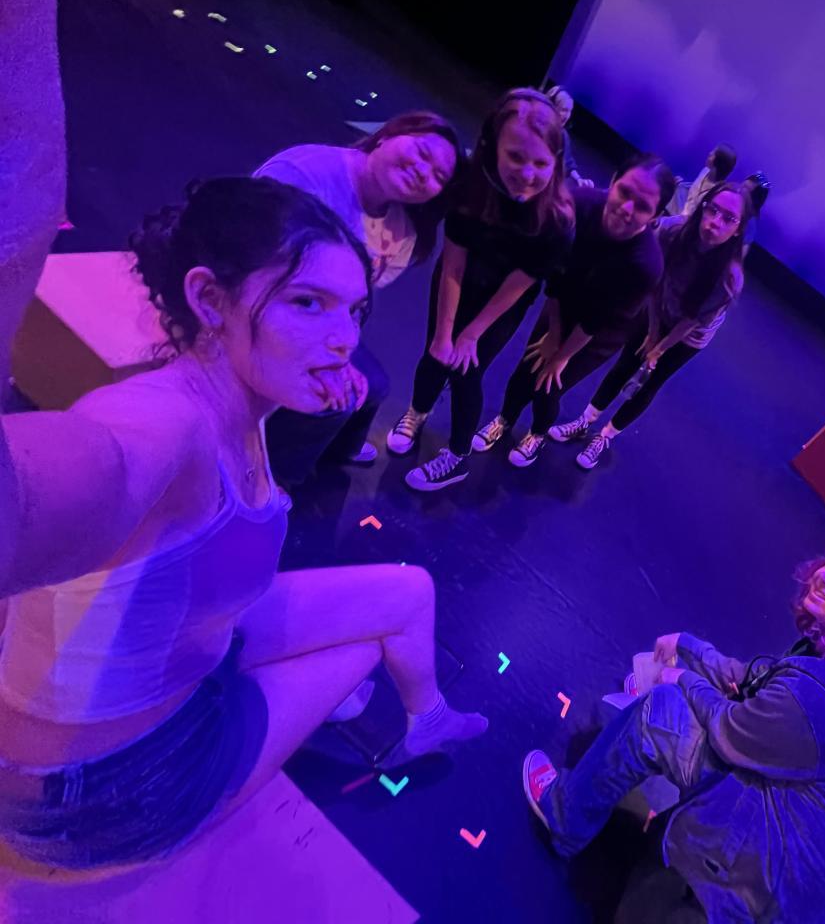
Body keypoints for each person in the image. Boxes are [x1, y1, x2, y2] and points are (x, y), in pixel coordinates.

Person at [0, 178, 485, 872]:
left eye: (353, 311)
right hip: (103, 795)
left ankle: (427, 718)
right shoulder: (159, 424)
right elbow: (74, 474)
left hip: (169, 669)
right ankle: (393, 711)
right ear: (209, 300)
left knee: (411, 593)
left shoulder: (238, 396)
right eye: (307, 303)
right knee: (363, 649)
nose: (345, 341)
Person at [521, 534, 825, 923]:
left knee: (660, 711)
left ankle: (563, 817)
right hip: (799, 849)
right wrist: (689, 647)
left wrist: (681, 679)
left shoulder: (814, 697)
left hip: (766, 869)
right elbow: (755, 682)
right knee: (681, 695)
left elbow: (731, 730)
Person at [253, 112, 464, 486]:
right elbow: (253, 277)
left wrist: (340, 354)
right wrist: (325, 361)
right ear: (388, 135)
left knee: (375, 386)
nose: (423, 172)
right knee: (334, 402)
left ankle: (339, 449)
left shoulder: (400, 229)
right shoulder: (305, 176)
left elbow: (355, 305)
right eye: (422, 152)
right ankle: (268, 479)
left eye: (438, 176)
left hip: (313, 323)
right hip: (258, 315)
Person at [388, 88, 575, 492]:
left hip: (503, 301)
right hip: (458, 279)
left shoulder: (558, 221)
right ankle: (417, 412)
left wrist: (471, 334)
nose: (527, 173)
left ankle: (457, 457)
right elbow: (453, 263)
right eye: (516, 157)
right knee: (434, 353)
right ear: (493, 147)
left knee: (466, 372)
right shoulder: (471, 186)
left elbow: (520, 282)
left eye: (541, 163)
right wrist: (444, 334)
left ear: (556, 161)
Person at [472, 153, 674, 467]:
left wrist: (561, 355)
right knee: (527, 369)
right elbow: (554, 274)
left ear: (655, 216)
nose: (627, 208)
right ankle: (505, 419)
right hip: (563, 302)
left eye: (643, 206)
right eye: (624, 192)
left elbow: (597, 319)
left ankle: (537, 433)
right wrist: (554, 333)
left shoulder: (645, 264)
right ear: (613, 182)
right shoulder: (578, 205)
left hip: (601, 331)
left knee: (550, 384)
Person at [548, 182, 754, 470]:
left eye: (728, 218)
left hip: (688, 335)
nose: (715, 223)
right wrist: (653, 331)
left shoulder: (729, 278)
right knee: (625, 364)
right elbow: (654, 282)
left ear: (739, 228)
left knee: (650, 379)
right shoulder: (673, 231)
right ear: (703, 208)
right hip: (658, 308)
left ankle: (606, 436)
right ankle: (586, 420)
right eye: (713, 210)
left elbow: (692, 320)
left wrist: (659, 349)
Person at [547, 84, 593, 188]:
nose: (567, 116)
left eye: (570, 111)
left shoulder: (563, 135)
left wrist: (579, 179)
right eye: (564, 110)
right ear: (552, 107)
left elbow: (568, 163)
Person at [675, 143, 737, 217]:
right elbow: (692, 195)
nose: (710, 153)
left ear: (719, 162)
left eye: (713, 153)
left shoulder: (718, 192)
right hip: (681, 209)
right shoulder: (705, 171)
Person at [740, 171, 771, 257]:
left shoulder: (749, 222)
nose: (740, 191)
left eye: (746, 190)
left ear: (755, 200)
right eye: (742, 186)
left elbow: (742, 252)